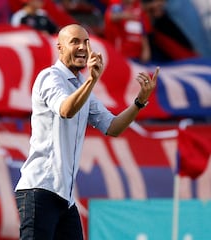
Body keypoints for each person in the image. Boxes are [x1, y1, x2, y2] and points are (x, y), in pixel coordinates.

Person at [14, 24, 159, 240]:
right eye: (75, 42)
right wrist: (92, 80)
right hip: (39, 189)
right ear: (60, 48)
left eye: (86, 42)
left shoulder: (82, 86)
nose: (82, 47)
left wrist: (140, 102)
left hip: (65, 197)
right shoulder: (49, 77)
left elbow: (112, 127)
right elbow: (65, 110)